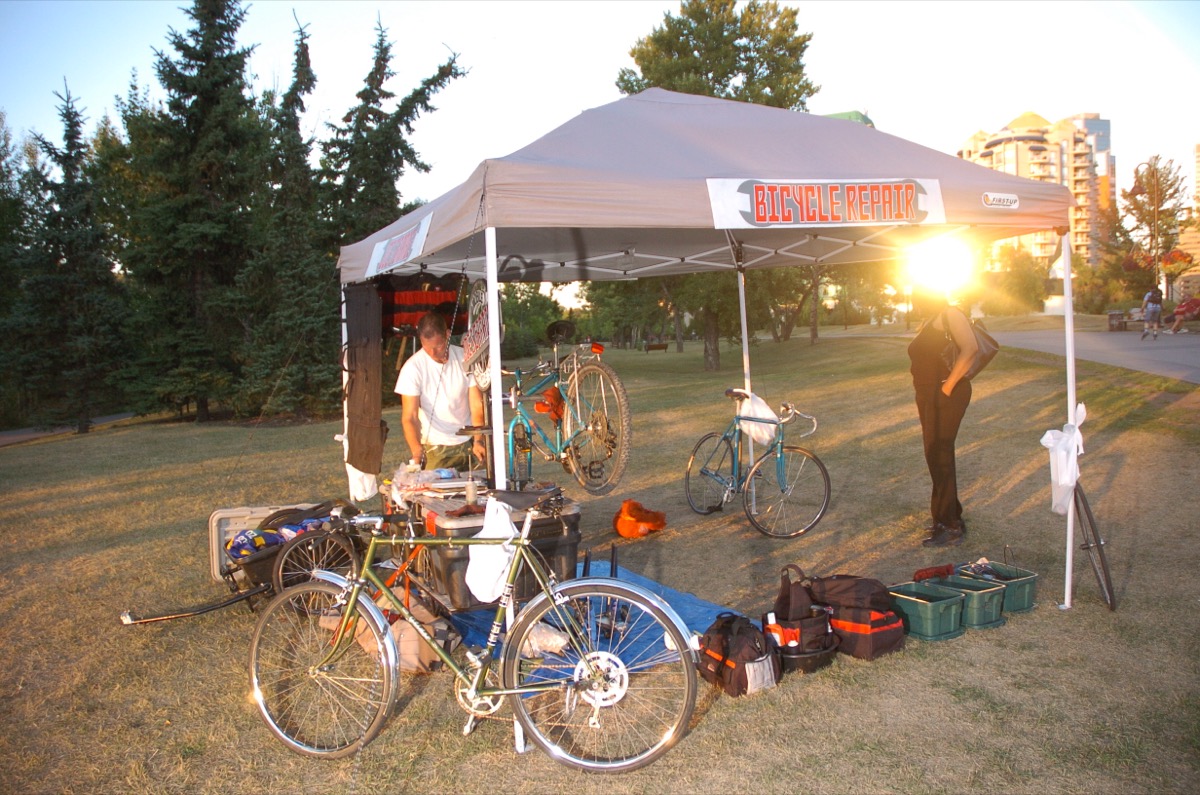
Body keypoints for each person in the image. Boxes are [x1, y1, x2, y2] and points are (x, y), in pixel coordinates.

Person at [907, 290, 979, 547]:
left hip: (946, 393)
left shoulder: (950, 314)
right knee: (933, 454)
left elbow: (971, 348)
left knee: (941, 453)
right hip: (927, 394)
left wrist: (947, 387)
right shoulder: (930, 320)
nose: (914, 302)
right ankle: (944, 516)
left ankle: (951, 526)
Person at [395, 311, 487, 472]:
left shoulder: (466, 358)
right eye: (426, 347)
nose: (433, 353)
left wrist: (479, 439)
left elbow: (476, 404)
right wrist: (417, 451)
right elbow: (410, 416)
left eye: (438, 346)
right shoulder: (412, 368)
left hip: (469, 442)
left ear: (447, 335)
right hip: (434, 448)